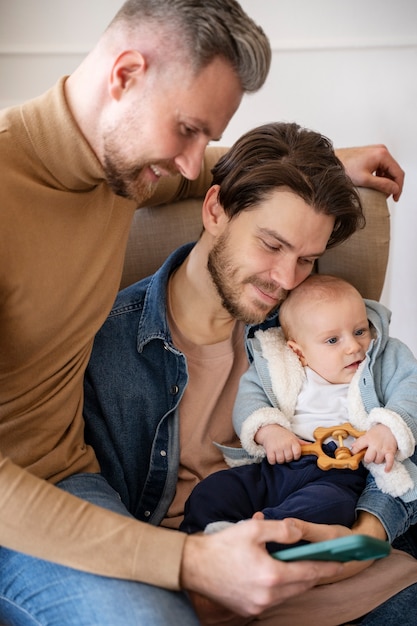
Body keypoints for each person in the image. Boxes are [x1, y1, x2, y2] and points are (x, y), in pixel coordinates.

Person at [2, 1, 405, 623]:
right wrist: (188, 563)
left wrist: (327, 167)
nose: (192, 161)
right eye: (188, 129)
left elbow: (210, 177)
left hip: (71, 477)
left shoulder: (122, 169)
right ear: (125, 74)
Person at [84, 122, 417, 625]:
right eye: (271, 244)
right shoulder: (108, 344)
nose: (286, 280)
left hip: (358, 571)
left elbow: (401, 422)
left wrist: (365, 535)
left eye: (306, 259)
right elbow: (91, 503)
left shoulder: (317, 329)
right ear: (215, 208)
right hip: (200, 580)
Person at [180, 274, 417, 540]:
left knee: (331, 506)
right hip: (282, 465)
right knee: (214, 489)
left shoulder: (383, 358)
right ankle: (201, 539)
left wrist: (388, 429)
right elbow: (249, 400)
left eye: (360, 331)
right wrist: (269, 431)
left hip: (342, 475)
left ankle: (259, 533)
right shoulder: (279, 366)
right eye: (332, 340)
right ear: (299, 352)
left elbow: (411, 389)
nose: (354, 346)